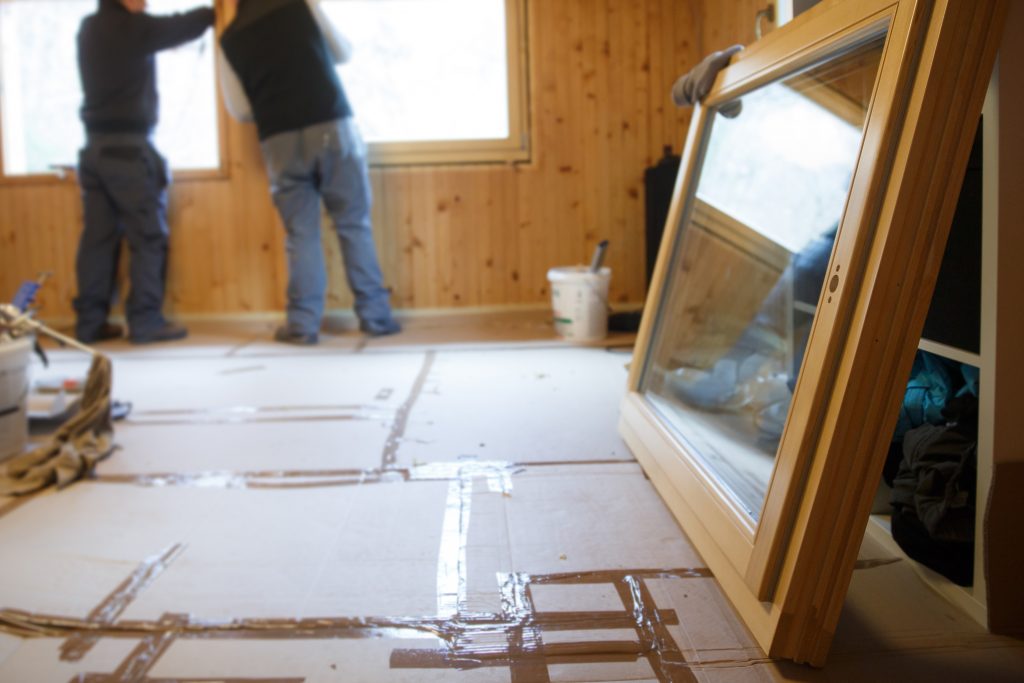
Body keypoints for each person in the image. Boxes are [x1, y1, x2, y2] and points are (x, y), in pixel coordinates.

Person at [218, 0, 400, 345]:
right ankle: (376, 318)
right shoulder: (299, 7)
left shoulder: (230, 39)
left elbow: (240, 110)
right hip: (331, 125)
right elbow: (343, 53)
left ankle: (302, 326)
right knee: (352, 223)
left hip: (279, 140)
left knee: (300, 235)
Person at [75, 0, 214, 344]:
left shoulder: (89, 28)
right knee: (148, 236)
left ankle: (90, 324)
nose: (147, 2)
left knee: (97, 240)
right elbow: (185, 24)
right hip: (128, 151)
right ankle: (146, 321)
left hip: (93, 151)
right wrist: (216, 10)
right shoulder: (132, 28)